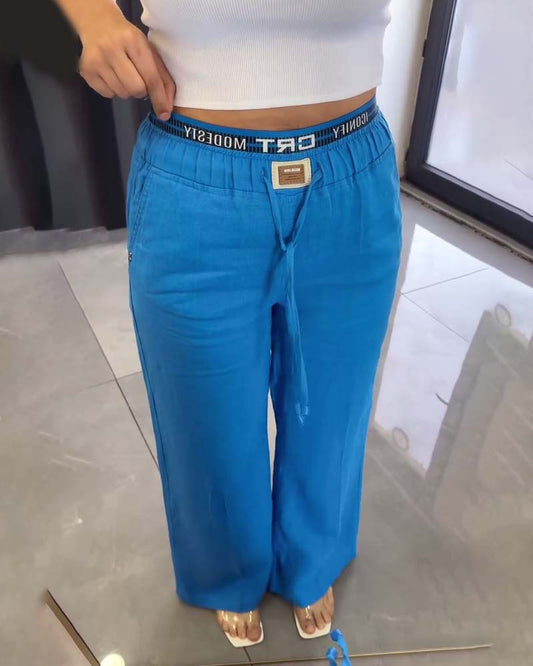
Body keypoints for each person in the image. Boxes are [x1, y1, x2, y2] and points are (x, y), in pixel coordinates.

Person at [55, 0, 401, 648]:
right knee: (204, 415)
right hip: (196, 174)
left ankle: (312, 556)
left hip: (349, 171)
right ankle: (226, 569)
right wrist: (94, 16)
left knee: (334, 403)